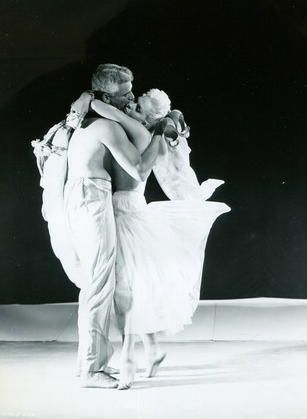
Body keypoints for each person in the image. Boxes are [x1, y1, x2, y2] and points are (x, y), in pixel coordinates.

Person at [32, 64, 172, 389]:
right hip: (91, 198)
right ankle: (92, 370)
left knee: (97, 283)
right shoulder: (107, 127)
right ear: (107, 97)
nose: (131, 98)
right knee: (99, 284)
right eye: (125, 94)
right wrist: (159, 132)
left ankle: (89, 364)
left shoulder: (81, 121)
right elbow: (139, 170)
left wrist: (91, 99)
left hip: (79, 197)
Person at [88, 90, 231, 389]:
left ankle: (129, 356)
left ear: (147, 119)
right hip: (123, 212)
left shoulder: (142, 135)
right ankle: (152, 350)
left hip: (128, 213)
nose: (130, 107)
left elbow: (111, 114)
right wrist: (170, 118)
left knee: (128, 290)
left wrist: (91, 100)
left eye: (137, 108)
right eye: (133, 103)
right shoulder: (141, 132)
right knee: (131, 286)